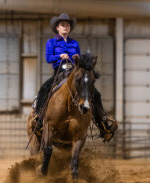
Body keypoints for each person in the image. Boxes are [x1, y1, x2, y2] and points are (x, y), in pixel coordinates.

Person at [31, 13, 117, 141]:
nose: (65, 27)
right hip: (59, 73)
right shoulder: (51, 42)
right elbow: (48, 58)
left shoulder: (74, 44)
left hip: (74, 73)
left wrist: (78, 58)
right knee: (44, 88)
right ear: (58, 28)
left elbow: (79, 63)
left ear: (69, 28)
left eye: (67, 25)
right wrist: (59, 56)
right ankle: (39, 119)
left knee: (95, 93)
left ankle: (103, 123)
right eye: (62, 25)